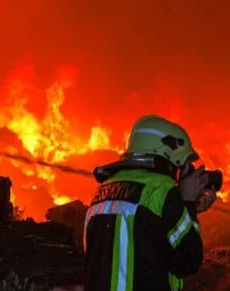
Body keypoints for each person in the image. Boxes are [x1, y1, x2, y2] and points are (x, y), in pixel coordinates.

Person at [84, 115, 215, 291]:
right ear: (169, 155)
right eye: (181, 166)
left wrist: (181, 208)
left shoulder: (101, 193)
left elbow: (141, 238)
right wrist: (188, 205)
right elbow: (188, 261)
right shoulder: (162, 190)